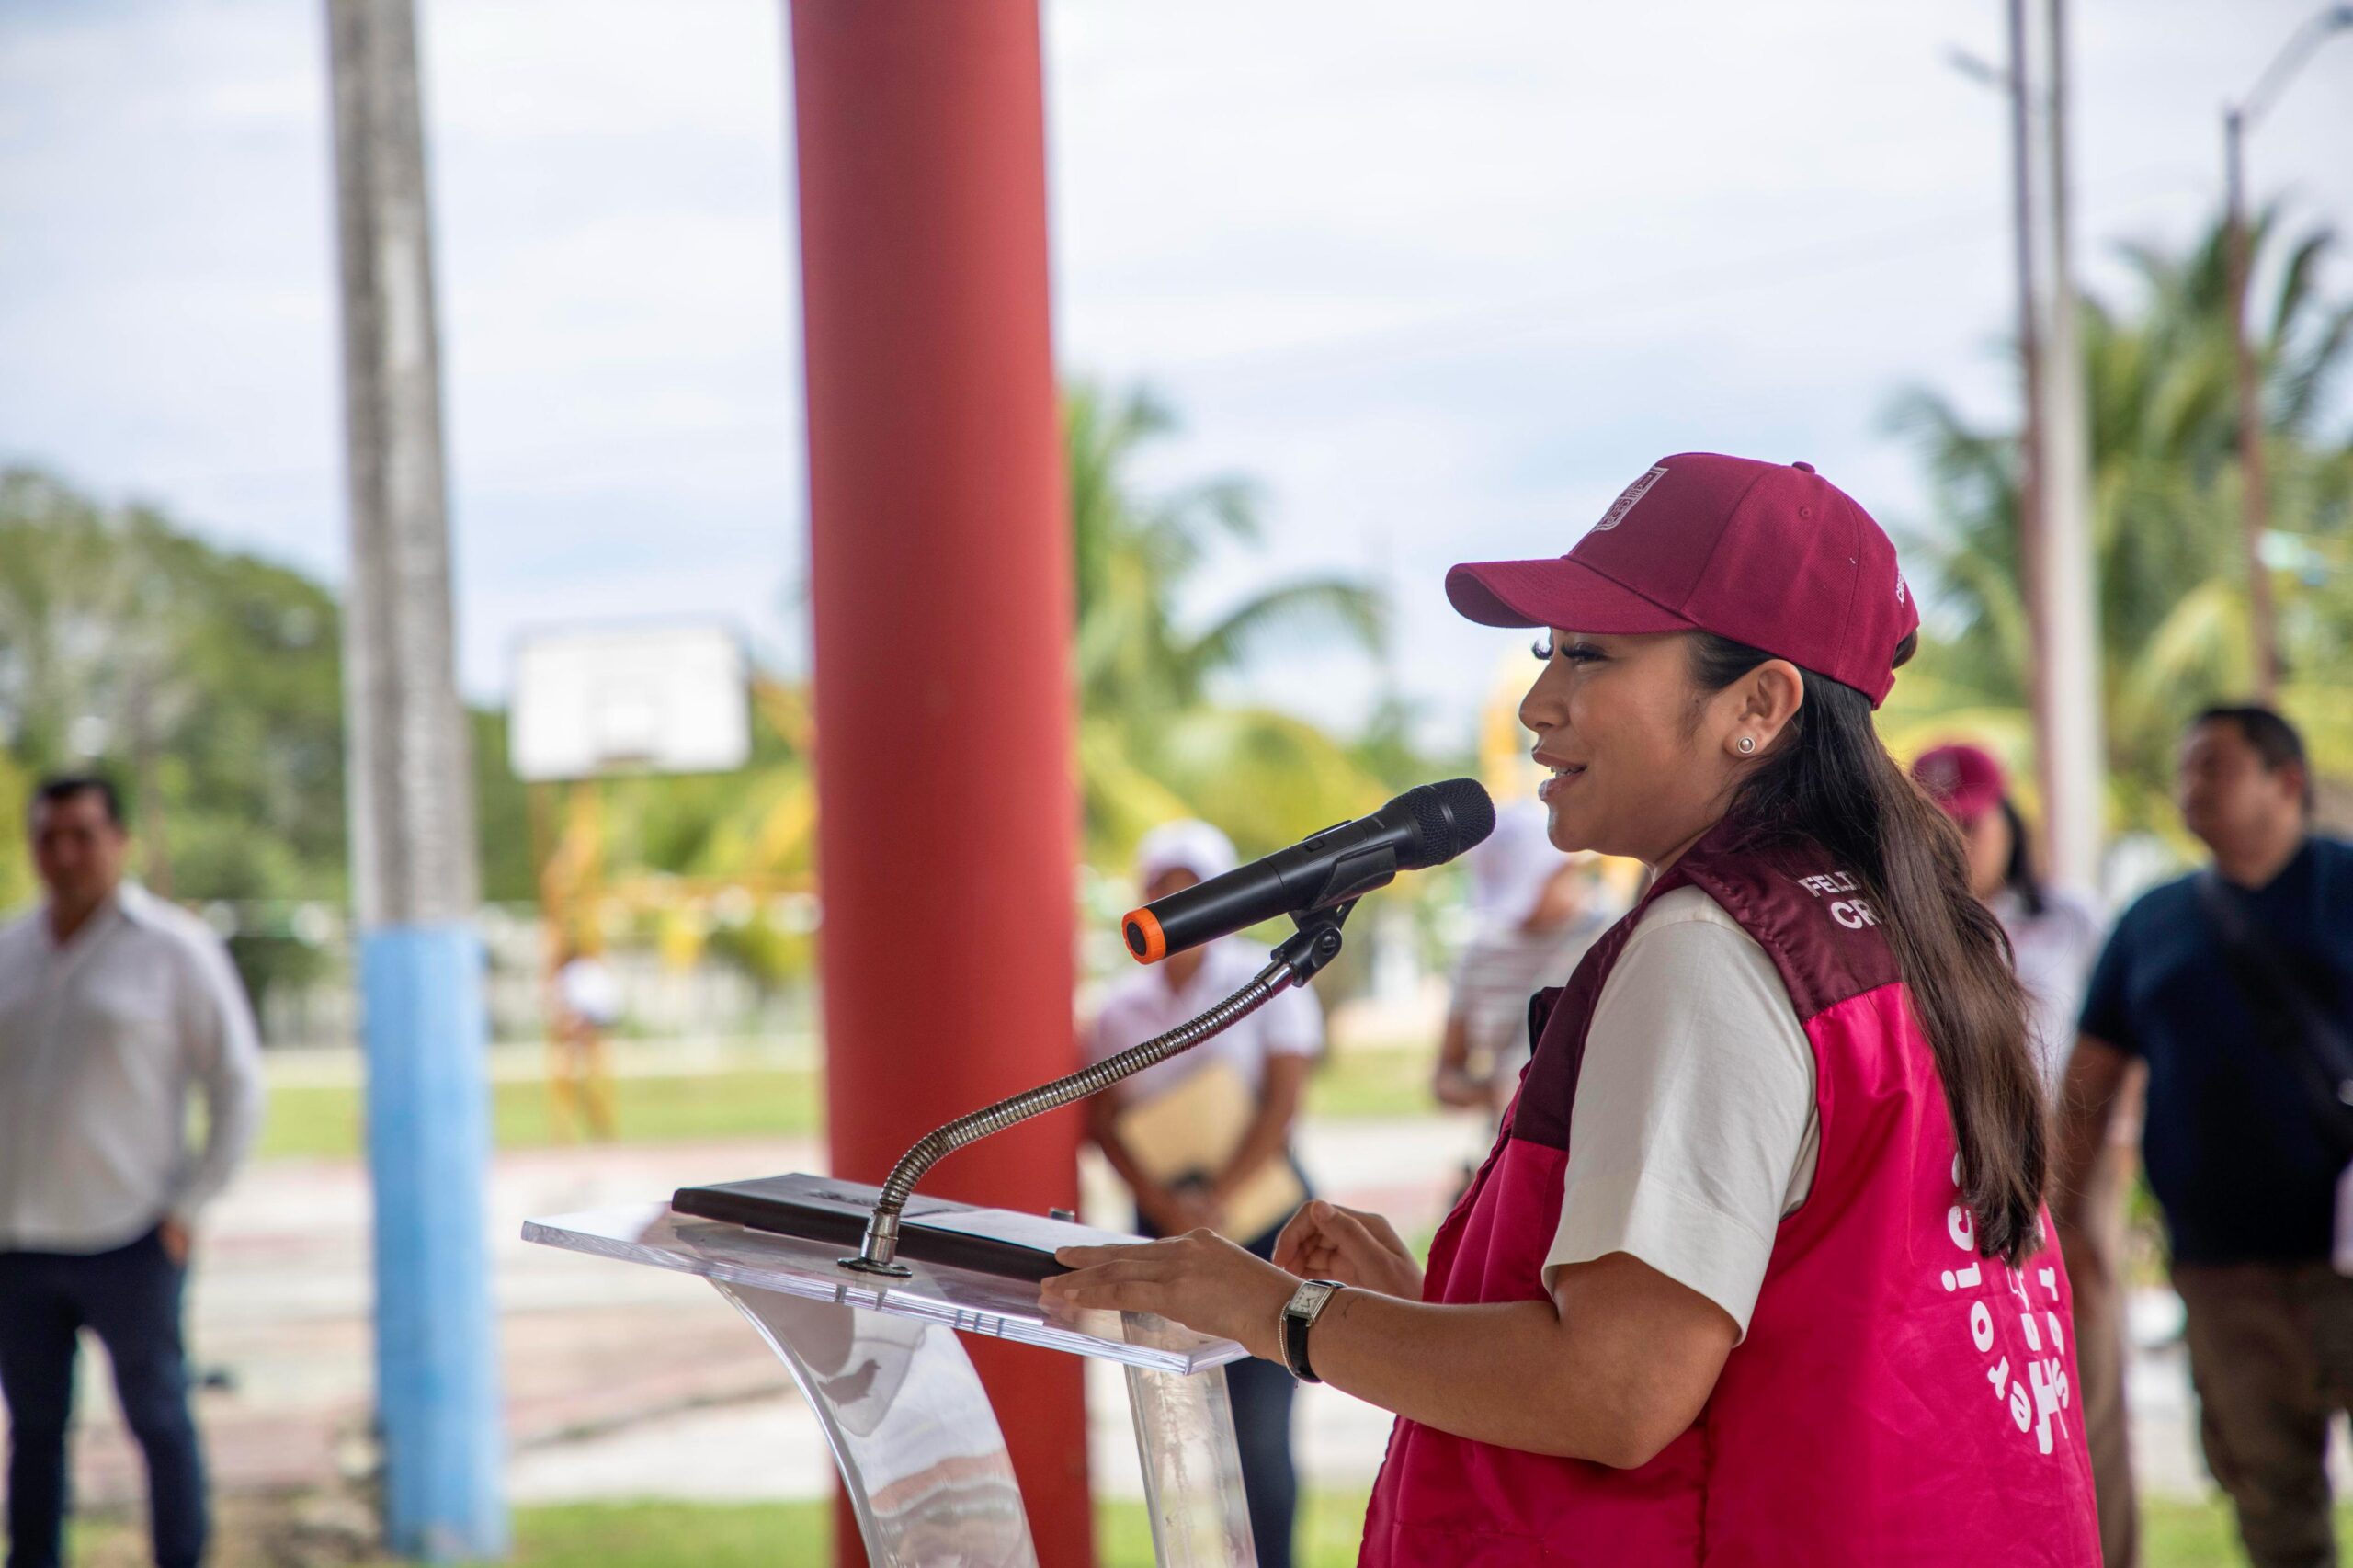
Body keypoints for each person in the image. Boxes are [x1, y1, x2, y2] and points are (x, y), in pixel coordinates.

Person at [1046, 452, 2099, 1565]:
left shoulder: (1713, 946)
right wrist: (1422, 1311)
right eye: (1546, 652)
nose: (1540, 701)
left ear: (1757, 703)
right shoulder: (1900, 926)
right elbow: (1757, 1330)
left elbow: (1616, 1392)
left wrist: (1266, 1308)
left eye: (1590, 656)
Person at [2054, 707, 2353, 1568]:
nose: (2190, 785)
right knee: (2269, 1502)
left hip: (2349, 1257)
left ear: (2285, 781)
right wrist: (2062, 1218)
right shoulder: (2151, 922)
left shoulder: (2344, 884)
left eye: (2213, 766)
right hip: (2222, 1272)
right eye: (2184, 768)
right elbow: (2087, 1087)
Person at [0, 775, 266, 1568]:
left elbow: (238, 1083)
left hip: (132, 1234)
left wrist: (189, 1206)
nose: (67, 854)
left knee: (158, 1418)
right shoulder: (11, 948)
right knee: (36, 1429)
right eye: (50, 837)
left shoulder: (173, 949)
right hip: (20, 1236)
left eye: (84, 835)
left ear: (119, 841)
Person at [1913, 741, 2137, 1564]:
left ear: (2006, 815)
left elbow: (2122, 1040)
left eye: (1971, 823)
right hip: (1956, 1170)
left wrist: (2104, 1160)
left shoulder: (2071, 915)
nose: (1959, 842)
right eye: (1939, 826)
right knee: (1987, 1381)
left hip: (2065, 1151)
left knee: (2086, 1379)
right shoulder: (1907, 925)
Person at [1084, 819, 1324, 1568]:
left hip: (1258, 1222)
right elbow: (1104, 1120)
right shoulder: (1119, 1007)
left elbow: (1283, 1102)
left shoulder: (1268, 978)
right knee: (1179, 1424)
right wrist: (1165, 1204)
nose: (1180, 905)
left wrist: (1216, 1196)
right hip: (1166, 1223)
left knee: (1259, 1423)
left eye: (1198, 891)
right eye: (1164, 890)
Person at [1432, 801, 1611, 1119]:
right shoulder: (1479, 953)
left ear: (1564, 868)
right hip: (1513, 1144)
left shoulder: (1612, 939)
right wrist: (1501, 1091)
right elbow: (1445, 1079)